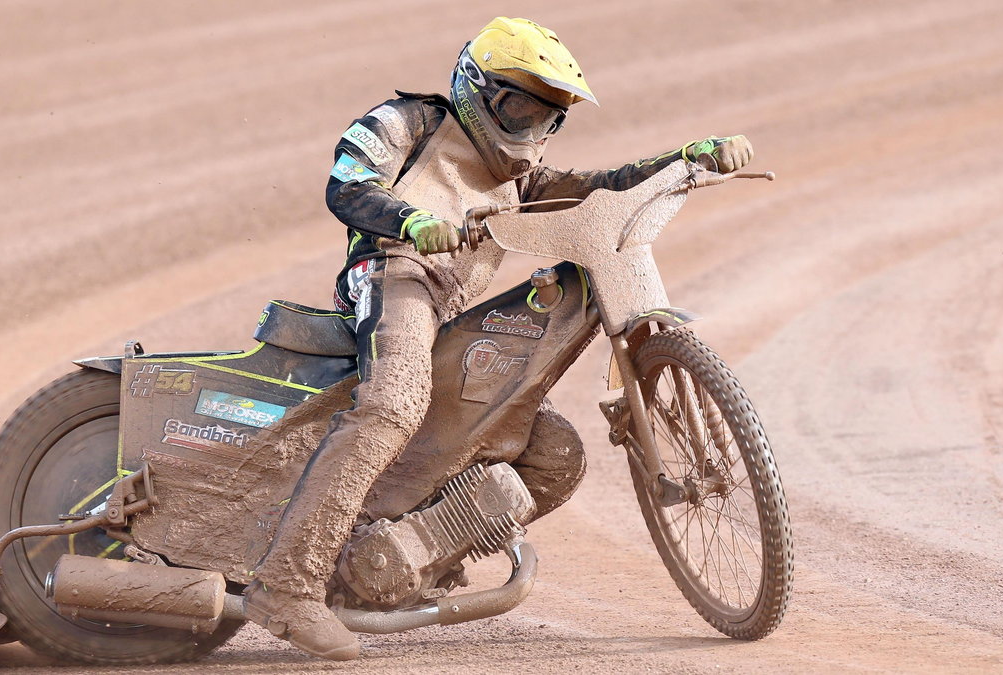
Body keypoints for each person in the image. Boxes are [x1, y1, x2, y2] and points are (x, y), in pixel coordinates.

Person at [243, 17, 754, 661]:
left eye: (547, 120)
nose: (530, 131)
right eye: (517, 109)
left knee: (554, 453)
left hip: (445, 308)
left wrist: (687, 160)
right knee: (395, 400)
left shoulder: (521, 181)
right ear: (473, 89)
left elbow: (599, 186)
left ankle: (406, 557)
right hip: (393, 275)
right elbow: (347, 186)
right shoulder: (405, 122)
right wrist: (413, 219)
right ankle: (287, 586)